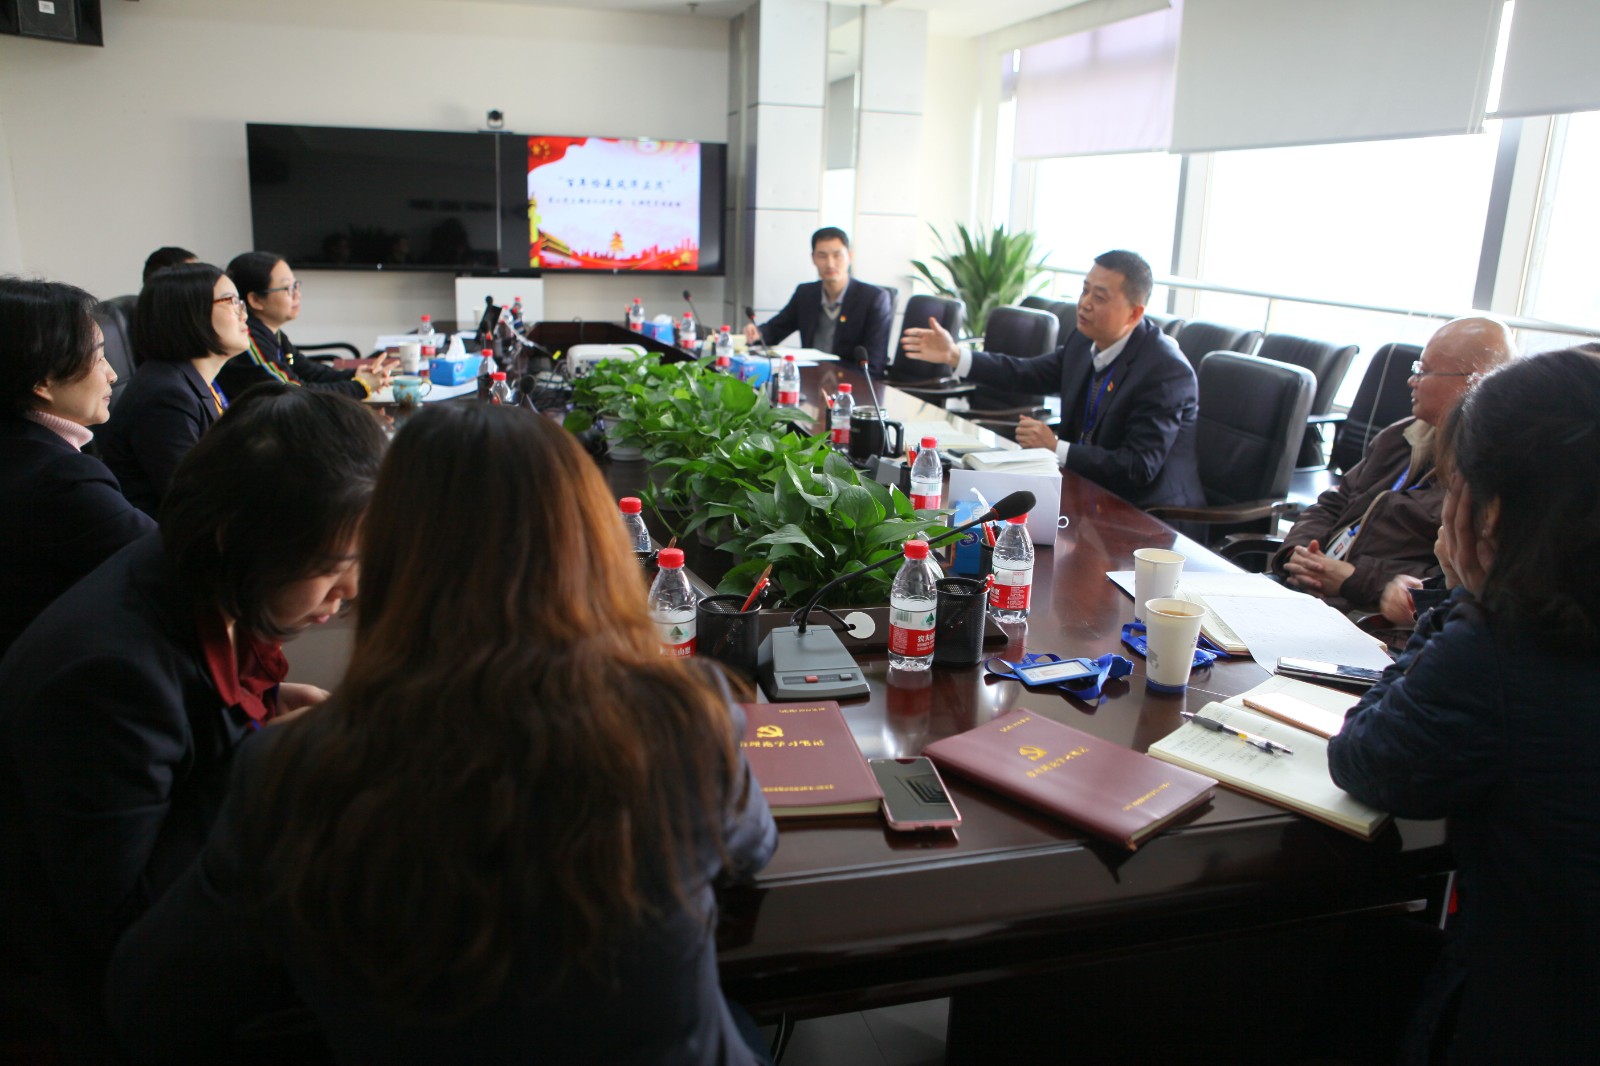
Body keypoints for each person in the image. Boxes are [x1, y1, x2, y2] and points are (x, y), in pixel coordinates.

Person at [106, 403, 779, 1064]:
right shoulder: (687, 718)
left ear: (388, 555)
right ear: (595, 548)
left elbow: (149, 1005)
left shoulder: (288, 773)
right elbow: (752, 849)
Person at [0, 385, 385, 1024]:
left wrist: (261, 711)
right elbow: (131, 922)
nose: (349, 590)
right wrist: (269, 765)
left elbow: (191, 729)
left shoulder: (193, 573)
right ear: (238, 536)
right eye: (332, 566)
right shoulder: (109, 678)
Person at [1328, 346, 1600, 1064]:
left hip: (1533, 1017)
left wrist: (1462, 598)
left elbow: (1364, 757)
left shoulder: (1502, 646)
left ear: (1492, 510)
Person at [902, 249, 1204, 510]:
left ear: (1134, 313)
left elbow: (1138, 467)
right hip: (1086, 492)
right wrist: (956, 355)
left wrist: (1056, 447)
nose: (1084, 303)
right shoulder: (1083, 342)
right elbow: (1024, 372)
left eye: (1099, 297)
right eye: (1085, 290)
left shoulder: (1164, 371)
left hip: (1150, 515)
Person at [1272, 316, 1514, 617]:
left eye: (1423, 371)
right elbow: (1335, 501)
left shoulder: (1487, 474)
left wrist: (1354, 579)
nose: (1411, 380)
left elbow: (1455, 575)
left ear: (1474, 381)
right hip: (1306, 590)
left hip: (1368, 617)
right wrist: (1298, 554)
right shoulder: (1400, 435)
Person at [0, 277, 155, 657]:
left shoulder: (22, 447)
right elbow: (176, 570)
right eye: (99, 357)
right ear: (43, 381)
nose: (112, 374)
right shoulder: (60, 478)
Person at [99, 262, 252, 516]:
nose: (244, 314)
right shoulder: (165, 397)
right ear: (190, 313)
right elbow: (196, 499)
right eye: (231, 301)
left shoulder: (194, 379)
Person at [217, 250, 392, 401]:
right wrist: (360, 387)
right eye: (287, 288)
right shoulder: (248, 341)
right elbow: (294, 394)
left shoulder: (273, 334)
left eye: (296, 285)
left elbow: (309, 372)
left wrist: (356, 375)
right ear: (255, 300)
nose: (297, 294)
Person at [744, 226, 894, 377]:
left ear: (849, 256)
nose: (830, 264)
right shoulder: (806, 293)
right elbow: (775, 329)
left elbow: (873, 366)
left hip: (851, 383)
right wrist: (757, 333)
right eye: (822, 256)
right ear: (813, 258)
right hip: (809, 380)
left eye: (837, 255)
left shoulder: (874, 299)